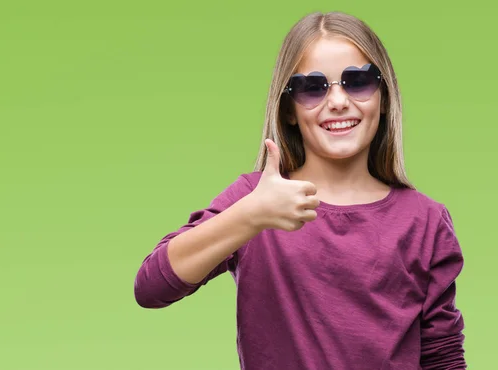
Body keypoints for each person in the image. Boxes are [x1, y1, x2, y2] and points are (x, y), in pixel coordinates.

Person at [133, 11, 467, 370]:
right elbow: (152, 287)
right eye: (313, 87)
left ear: (383, 98)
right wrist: (250, 216)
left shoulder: (425, 220)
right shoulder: (256, 199)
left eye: (357, 81)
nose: (338, 101)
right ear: (289, 108)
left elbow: (441, 357)